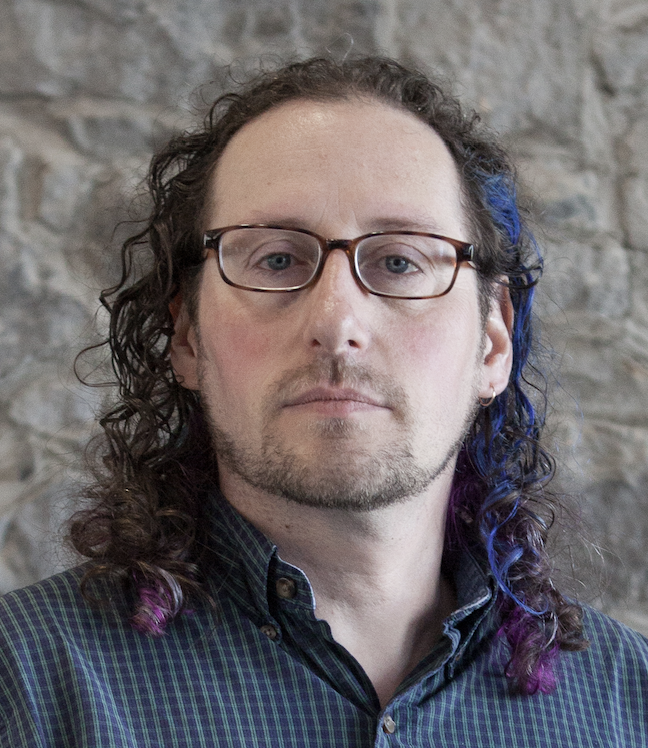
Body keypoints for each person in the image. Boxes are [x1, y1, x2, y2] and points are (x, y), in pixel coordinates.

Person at [1, 55, 646, 747]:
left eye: (400, 261)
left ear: (493, 345)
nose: (337, 323)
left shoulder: (630, 704)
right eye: (276, 259)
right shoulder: (26, 683)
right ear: (185, 338)